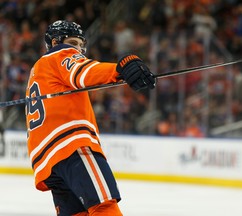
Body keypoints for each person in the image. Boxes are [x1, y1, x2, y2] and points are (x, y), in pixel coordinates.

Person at [25, 20, 156, 216]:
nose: (77, 50)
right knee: (104, 207)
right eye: (72, 43)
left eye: (80, 45)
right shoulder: (58, 55)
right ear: (55, 43)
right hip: (72, 147)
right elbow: (83, 72)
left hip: (47, 164)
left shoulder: (36, 72)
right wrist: (119, 69)